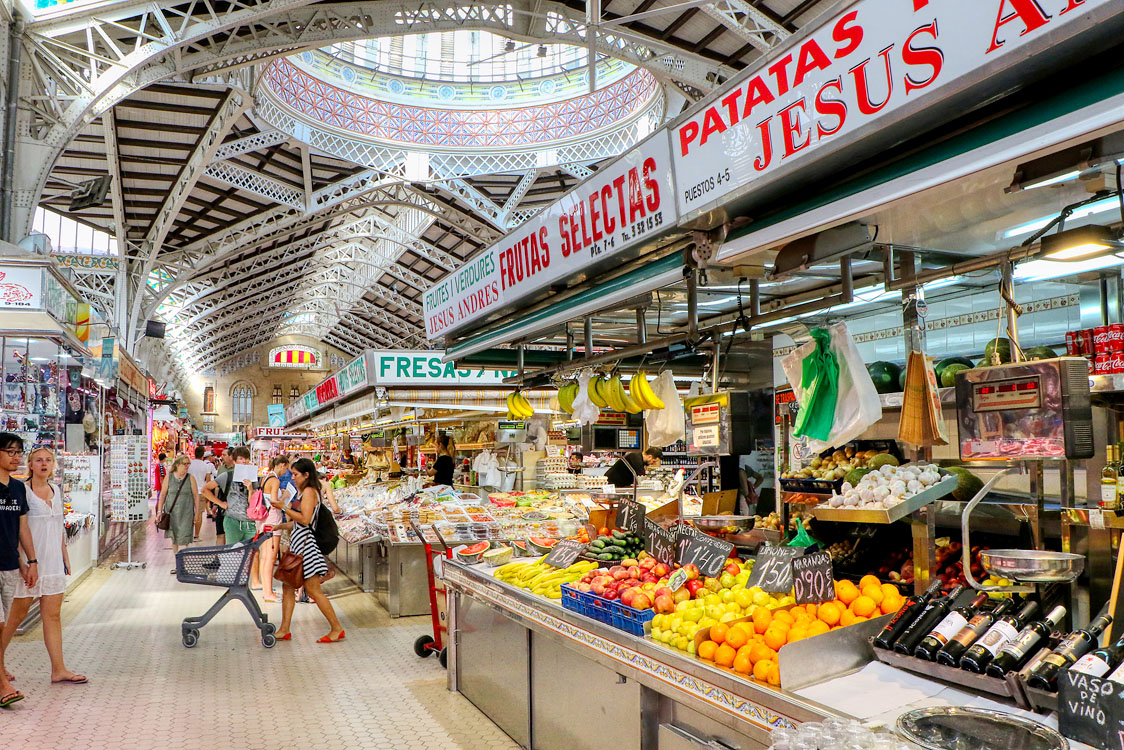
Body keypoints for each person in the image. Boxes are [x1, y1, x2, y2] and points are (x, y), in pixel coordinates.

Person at [1, 447, 85, 686]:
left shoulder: (56, 490)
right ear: (30, 463)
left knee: (53, 615)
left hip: (52, 563)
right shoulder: (21, 491)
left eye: (48, 460)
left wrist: (64, 555)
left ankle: (59, 669)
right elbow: (15, 531)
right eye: (38, 460)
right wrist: (24, 562)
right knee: (15, 616)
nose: (44, 464)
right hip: (29, 563)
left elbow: (58, 526)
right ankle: (0, 666)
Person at [270, 457, 344, 643]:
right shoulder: (304, 493)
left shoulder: (310, 492)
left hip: (306, 547)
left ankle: (336, 628)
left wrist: (284, 507)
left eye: (295, 474)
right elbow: (299, 522)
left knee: (313, 589)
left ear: (306, 475)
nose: (292, 477)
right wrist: (281, 527)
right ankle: (284, 628)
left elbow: (305, 520)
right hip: (299, 543)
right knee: (288, 585)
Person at [0, 433, 38, 707]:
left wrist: (30, 561)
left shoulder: (17, 488)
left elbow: (22, 527)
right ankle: (2, 685)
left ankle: (0, 669)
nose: (16, 457)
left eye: (19, 452)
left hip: (10, 565)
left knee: (4, 627)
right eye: (9, 451)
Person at [201, 446, 256, 545]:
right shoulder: (227, 475)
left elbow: (253, 502)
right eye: (241, 458)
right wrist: (220, 503)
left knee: (251, 553)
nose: (244, 461)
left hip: (250, 521)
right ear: (234, 461)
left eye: (246, 458)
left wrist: (250, 489)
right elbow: (205, 490)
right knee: (233, 551)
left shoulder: (253, 478)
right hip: (232, 520)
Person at [257, 456, 294, 602]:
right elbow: (274, 502)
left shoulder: (266, 478)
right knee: (271, 557)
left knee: (265, 557)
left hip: (263, 520)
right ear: (283, 465)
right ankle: (268, 593)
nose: (286, 472)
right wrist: (285, 496)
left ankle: (267, 590)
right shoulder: (275, 480)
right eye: (286, 468)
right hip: (273, 520)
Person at [155, 455, 197, 571]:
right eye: (185, 464)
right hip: (172, 512)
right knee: (174, 537)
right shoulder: (169, 477)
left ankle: (184, 564)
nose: (187, 467)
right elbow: (163, 494)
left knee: (185, 537)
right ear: (177, 465)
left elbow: (195, 496)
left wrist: (197, 512)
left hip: (186, 512)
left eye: (188, 464)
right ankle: (178, 564)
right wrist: (159, 511)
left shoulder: (190, 478)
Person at [187, 446, 213, 540]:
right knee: (199, 514)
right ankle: (196, 535)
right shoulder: (206, 466)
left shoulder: (189, 464)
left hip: (189, 492)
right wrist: (208, 495)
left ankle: (188, 533)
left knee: (189, 513)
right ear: (203, 454)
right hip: (201, 492)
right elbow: (208, 481)